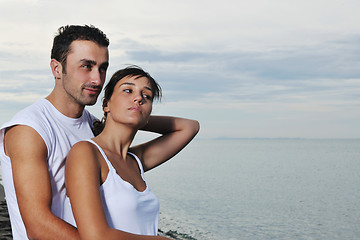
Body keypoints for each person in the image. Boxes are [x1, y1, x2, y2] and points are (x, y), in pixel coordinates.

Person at [62, 66, 200, 239]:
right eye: (128, 91)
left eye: (146, 96)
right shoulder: (86, 152)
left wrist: (140, 118)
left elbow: (190, 127)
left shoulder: (135, 161)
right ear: (106, 104)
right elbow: (95, 236)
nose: (138, 98)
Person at [0, 25, 110, 239]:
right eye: (86, 66)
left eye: (102, 68)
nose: (97, 79)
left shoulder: (96, 127)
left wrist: (126, 111)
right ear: (57, 69)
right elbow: (38, 227)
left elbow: (187, 129)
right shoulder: (29, 129)